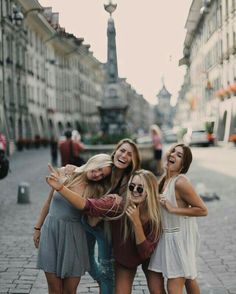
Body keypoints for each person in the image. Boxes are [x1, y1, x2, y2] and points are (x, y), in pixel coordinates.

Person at [47, 168, 163, 294]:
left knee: (157, 290)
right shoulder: (119, 205)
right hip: (126, 260)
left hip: (149, 256)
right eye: (132, 187)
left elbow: (145, 253)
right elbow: (88, 205)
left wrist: (136, 222)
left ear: (149, 191)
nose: (135, 191)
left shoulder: (155, 216)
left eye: (140, 188)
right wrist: (62, 186)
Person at [33, 154, 113, 294]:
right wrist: (37, 228)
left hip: (74, 236)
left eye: (102, 175)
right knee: (54, 289)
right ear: (93, 161)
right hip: (51, 231)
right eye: (99, 168)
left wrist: (107, 205)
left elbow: (92, 221)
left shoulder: (96, 190)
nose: (98, 174)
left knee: (70, 290)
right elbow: (48, 203)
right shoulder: (64, 171)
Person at [148, 143, 208, 294]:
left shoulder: (180, 182)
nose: (173, 154)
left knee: (174, 287)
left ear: (183, 165)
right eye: (173, 151)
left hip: (178, 238)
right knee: (186, 277)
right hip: (166, 237)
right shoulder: (164, 180)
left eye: (179, 155)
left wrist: (173, 209)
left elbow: (203, 210)